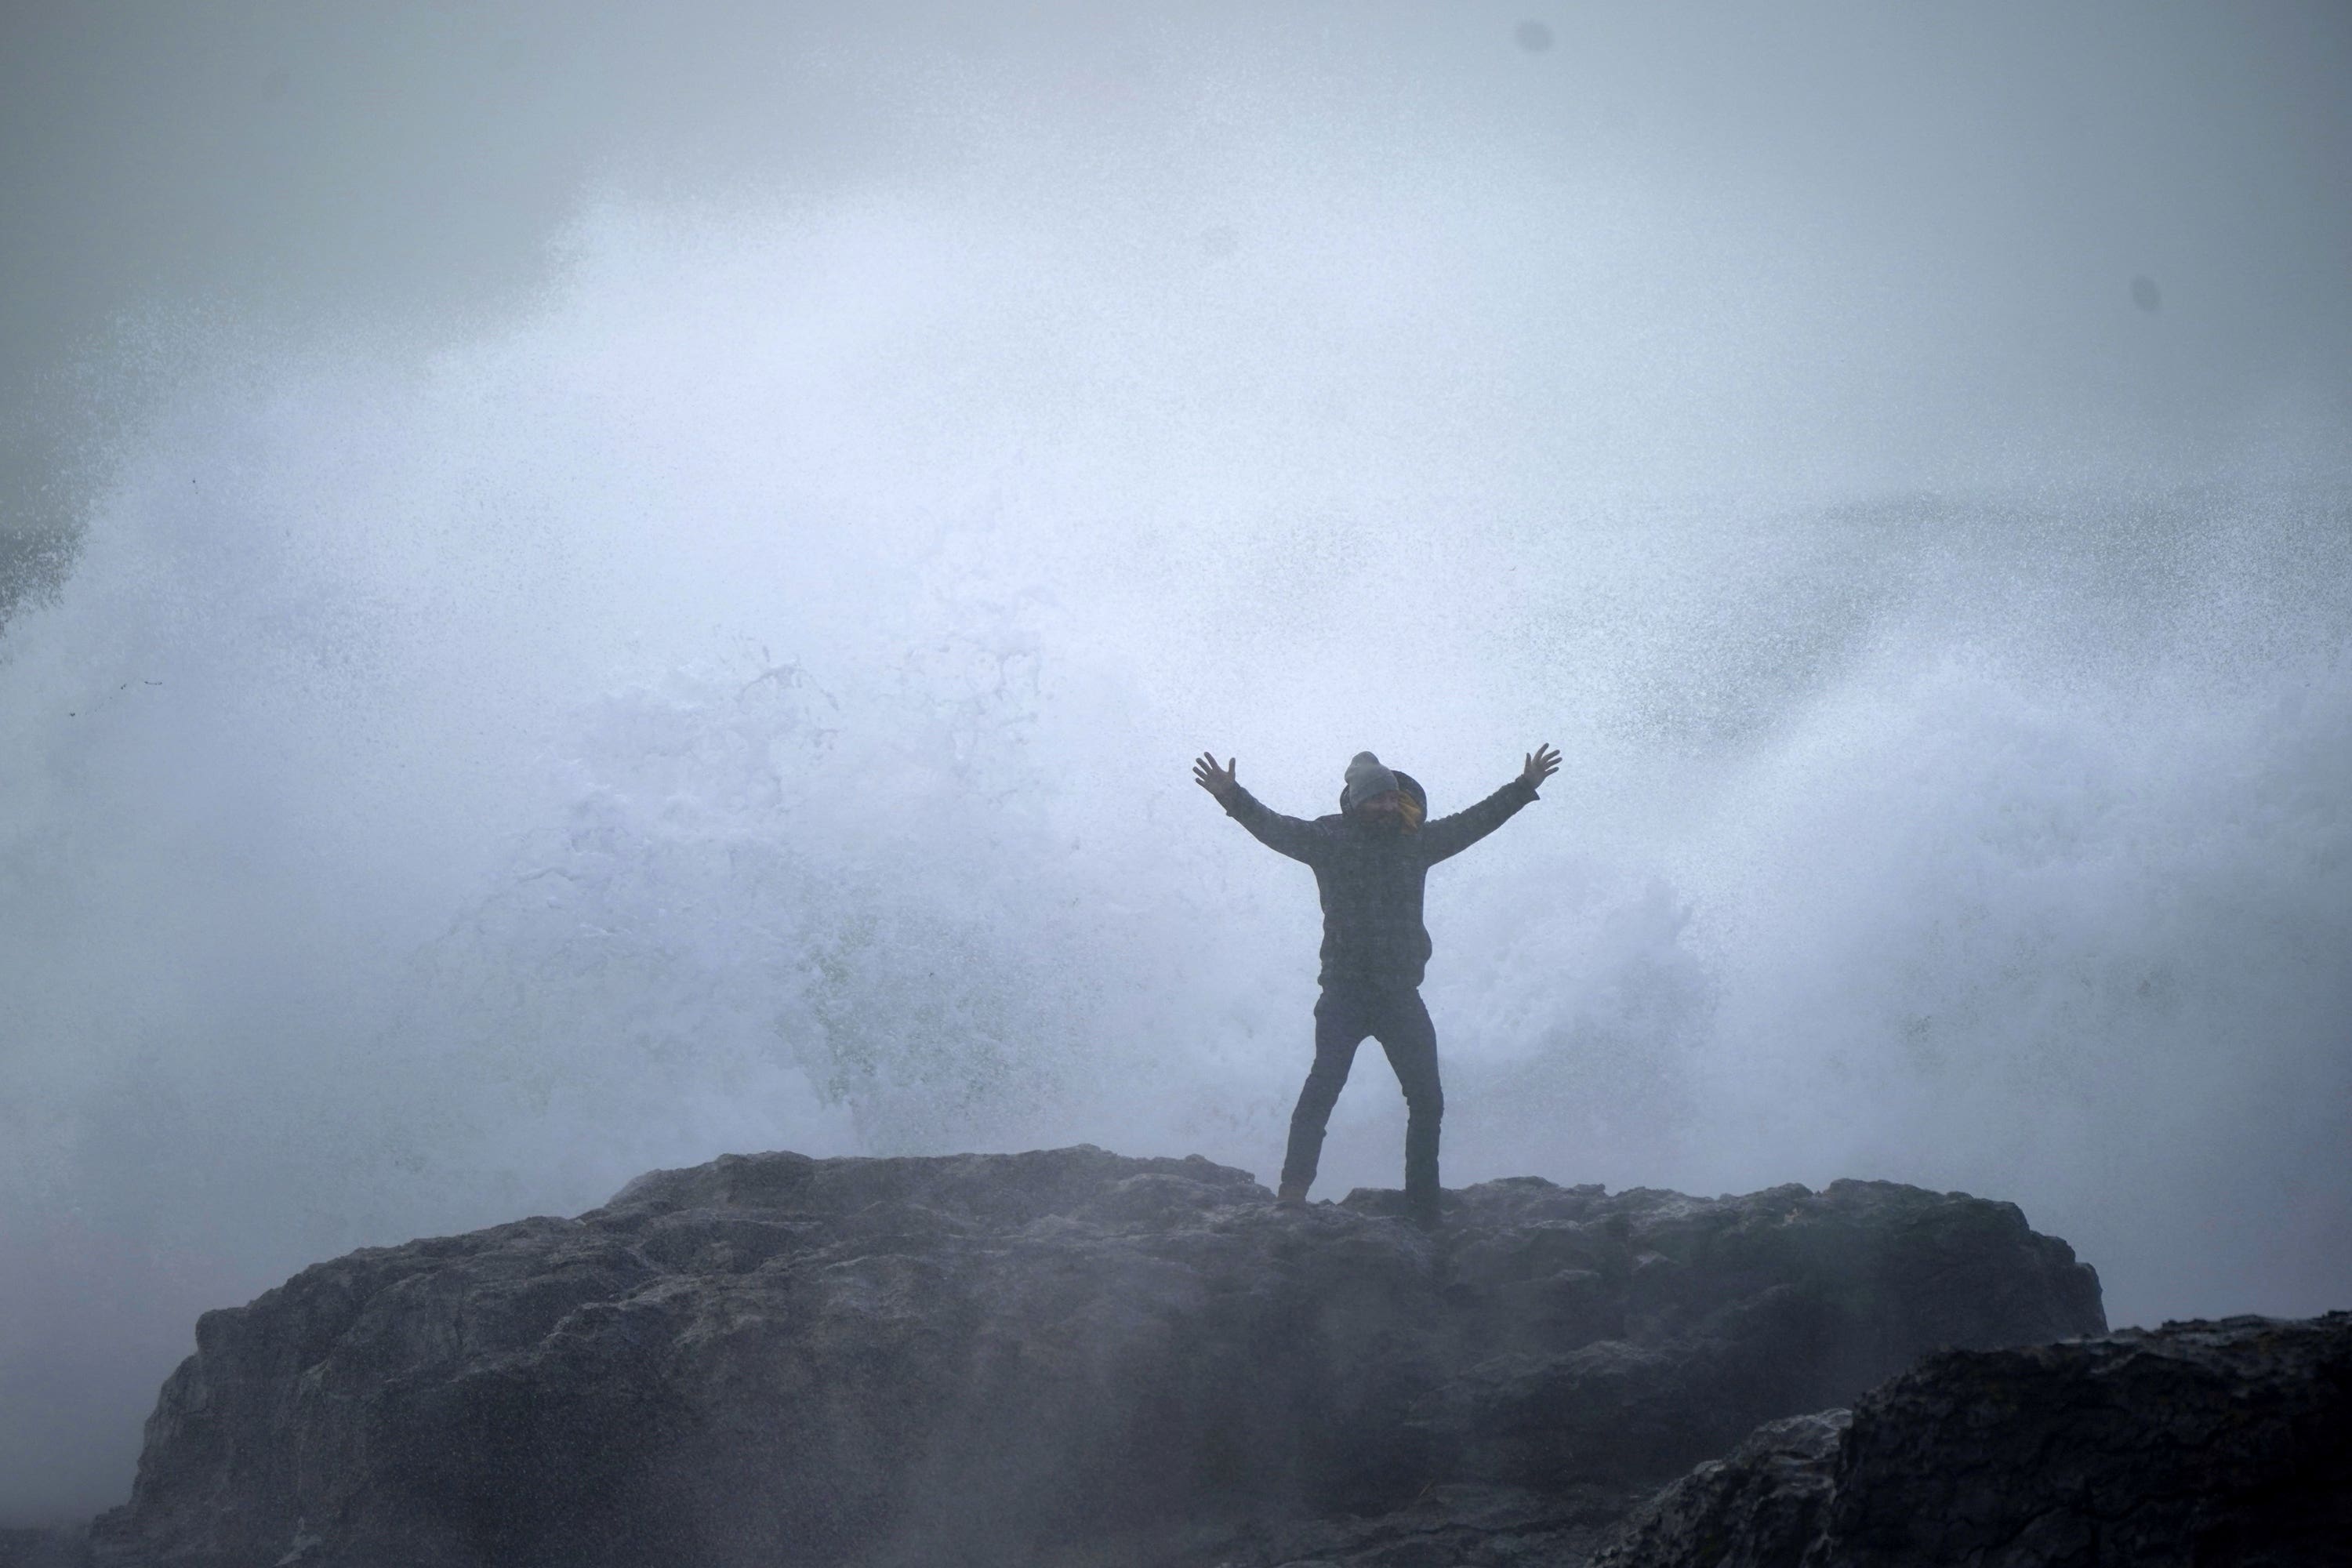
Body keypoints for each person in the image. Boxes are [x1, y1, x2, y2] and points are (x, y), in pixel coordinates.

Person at [1192, 742, 1560, 1223]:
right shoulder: (1329, 840)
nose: (1388, 806)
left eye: (1392, 798)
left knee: (1427, 1100)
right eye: (1378, 799)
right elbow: (1275, 828)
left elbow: (1475, 822)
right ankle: (1292, 1191)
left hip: (1399, 996)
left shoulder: (1417, 842)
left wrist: (1523, 787)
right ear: (1355, 802)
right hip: (1344, 993)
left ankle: (1423, 1206)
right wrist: (1232, 797)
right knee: (1322, 1089)